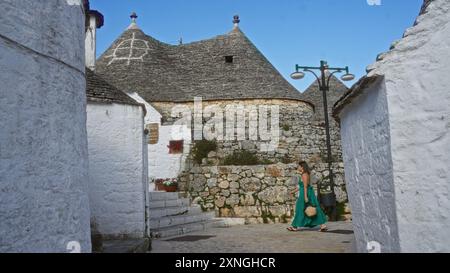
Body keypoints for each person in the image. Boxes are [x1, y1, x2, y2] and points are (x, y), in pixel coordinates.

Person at [287, 161, 328, 232]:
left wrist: (305, 197)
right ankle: (322, 225)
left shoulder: (304, 174)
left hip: (306, 194)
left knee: (300, 208)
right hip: (305, 192)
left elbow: (306, 186)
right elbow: (301, 186)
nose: (298, 167)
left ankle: (294, 226)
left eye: (299, 166)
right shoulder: (303, 174)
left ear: (302, 167)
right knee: (310, 209)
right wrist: (293, 191)